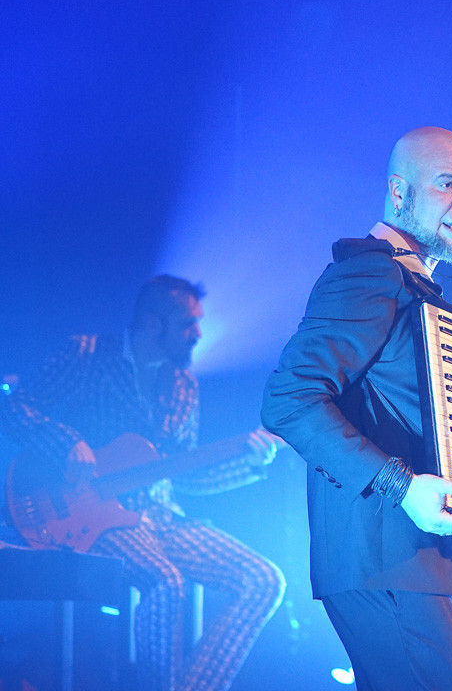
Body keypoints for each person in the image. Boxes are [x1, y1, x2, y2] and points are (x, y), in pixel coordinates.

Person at [261, 127, 452, 690]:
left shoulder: (417, 286)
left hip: (419, 561)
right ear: (399, 192)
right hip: (386, 558)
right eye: (446, 183)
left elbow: (413, 411)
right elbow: (289, 401)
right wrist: (403, 487)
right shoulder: (367, 274)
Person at [0, 274, 285, 691]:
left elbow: (186, 477)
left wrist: (251, 463)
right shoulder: (87, 352)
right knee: (166, 582)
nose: (198, 334)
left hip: (163, 518)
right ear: (153, 323)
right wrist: (68, 443)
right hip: (94, 512)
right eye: (188, 323)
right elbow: (17, 408)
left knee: (264, 580)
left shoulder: (183, 385)